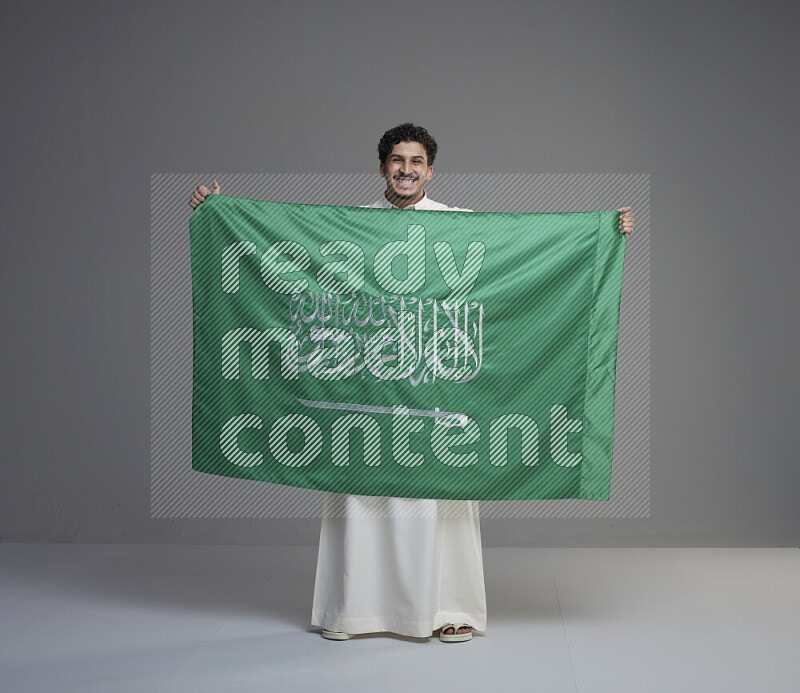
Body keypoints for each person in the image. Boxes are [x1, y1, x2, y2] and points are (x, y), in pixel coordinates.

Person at [188, 123, 634, 644]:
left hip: (436, 390)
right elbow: (277, 245)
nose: (406, 170)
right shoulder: (347, 229)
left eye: (416, 161)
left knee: (442, 498)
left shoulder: (459, 227)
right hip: (365, 386)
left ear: (429, 169)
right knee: (360, 498)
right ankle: (353, 610)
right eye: (396, 160)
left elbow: (525, 248)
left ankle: (451, 609)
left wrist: (605, 232)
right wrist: (214, 211)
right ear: (381, 168)